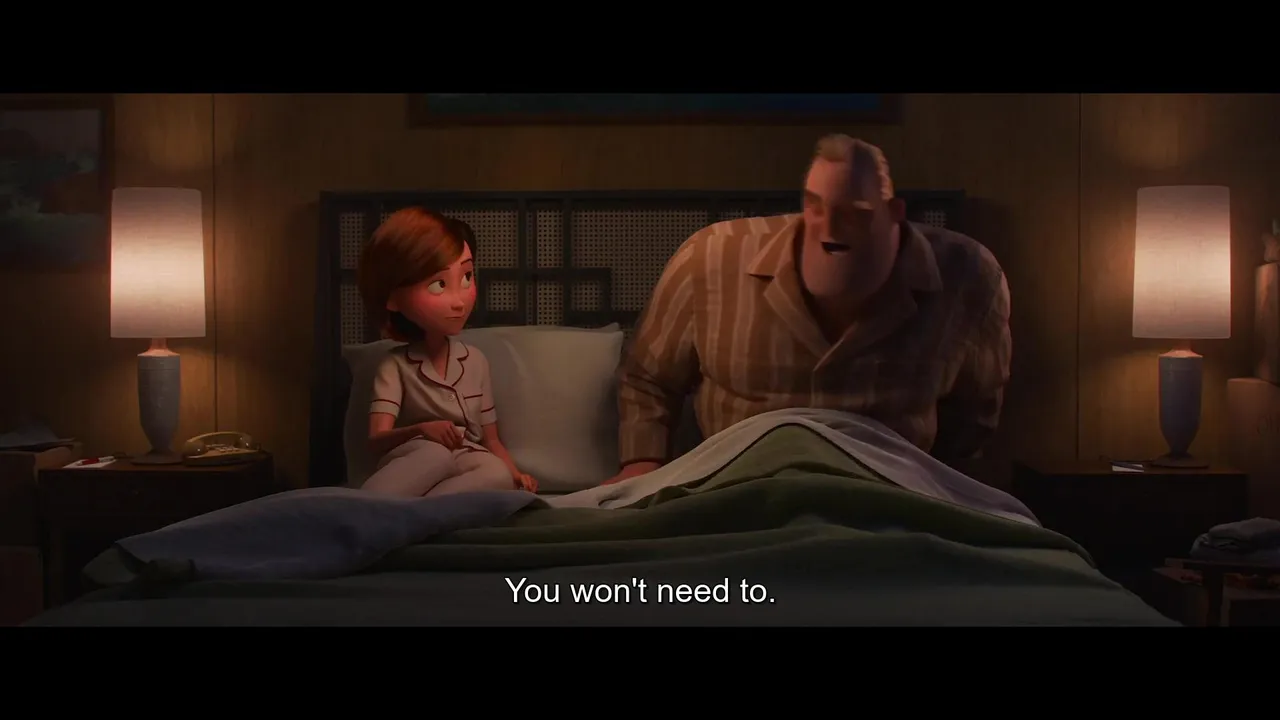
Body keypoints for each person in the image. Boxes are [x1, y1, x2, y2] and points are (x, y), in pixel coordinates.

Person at [606, 134, 1011, 485]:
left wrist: (940, 485)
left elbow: (976, 410)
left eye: (856, 214)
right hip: (736, 492)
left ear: (893, 214)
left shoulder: (967, 276)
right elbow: (647, 376)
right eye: (816, 207)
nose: (830, 229)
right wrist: (643, 462)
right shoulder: (711, 259)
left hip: (890, 498)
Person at [357, 207, 538, 496]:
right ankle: (369, 505)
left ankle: (416, 512)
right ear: (392, 298)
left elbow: (491, 441)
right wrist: (422, 430)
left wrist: (516, 476)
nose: (458, 302)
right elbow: (376, 440)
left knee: (496, 474)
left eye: (466, 278)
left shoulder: (476, 361)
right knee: (435, 456)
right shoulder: (395, 365)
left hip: (466, 455)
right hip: (416, 454)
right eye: (439, 284)